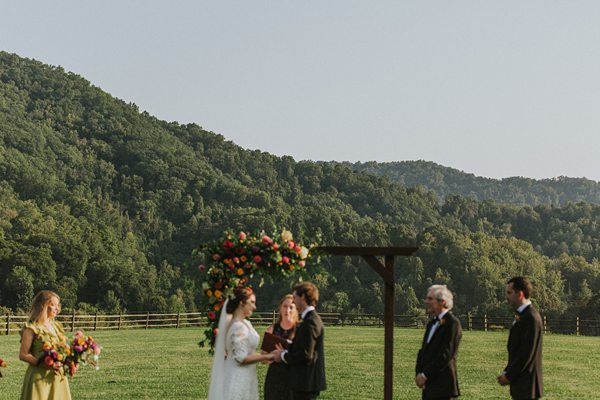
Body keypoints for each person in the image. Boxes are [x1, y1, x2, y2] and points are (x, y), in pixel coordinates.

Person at [208, 287, 274, 400]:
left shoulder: (245, 323)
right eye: (252, 302)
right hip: (237, 376)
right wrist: (269, 356)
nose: (254, 307)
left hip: (247, 374)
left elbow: (246, 351)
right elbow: (240, 358)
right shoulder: (237, 327)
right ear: (241, 303)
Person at [273, 282, 326, 400]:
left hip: (305, 383)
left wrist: (282, 355)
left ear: (302, 297)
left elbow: (306, 354)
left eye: (295, 297)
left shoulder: (311, 321)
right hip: (304, 382)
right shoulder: (309, 319)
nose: (294, 301)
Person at [19, 290, 72, 400]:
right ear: (43, 306)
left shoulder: (56, 326)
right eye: (53, 305)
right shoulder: (31, 328)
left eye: (58, 305)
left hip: (58, 376)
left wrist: (70, 360)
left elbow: (63, 349)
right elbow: (23, 354)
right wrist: (42, 364)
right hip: (39, 378)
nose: (57, 308)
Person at [497, 276, 543, 399]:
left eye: (509, 293)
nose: (506, 297)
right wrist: (507, 371)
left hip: (527, 384)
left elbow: (527, 353)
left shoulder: (531, 317)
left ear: (520, 294)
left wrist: (509, 375)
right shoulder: (522, 315)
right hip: (521, 383)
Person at [415, 284, 462, 400]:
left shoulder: (452, 324)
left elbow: (446, 355)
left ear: (443, 302)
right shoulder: (432, 324)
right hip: (429, 388)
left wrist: (425, 375)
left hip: (444, 389)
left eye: (430, 299)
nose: (426, 301)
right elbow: (423, 351)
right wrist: (418, 373)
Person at [264, 294, 299, 400]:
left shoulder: (300, 330)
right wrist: (274, 355)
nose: (287, 310)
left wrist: (286, 353)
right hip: (274, 378)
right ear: (280, 308)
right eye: (284, 306)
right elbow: (263, 359)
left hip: (294, 378)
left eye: (291, 307)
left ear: (296, 309)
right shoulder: (272, 329)